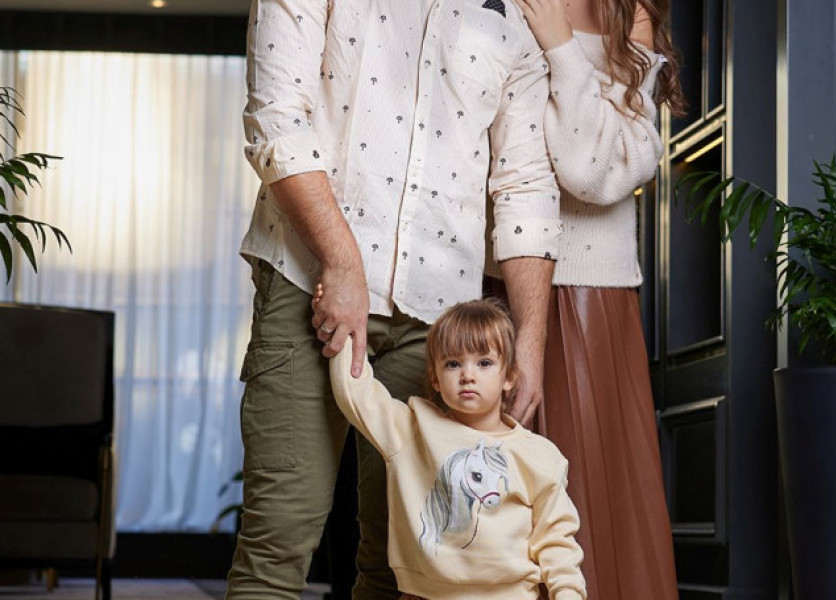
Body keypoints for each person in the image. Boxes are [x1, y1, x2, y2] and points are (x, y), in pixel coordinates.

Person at [226, 1, 562, 599]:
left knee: (402, 557)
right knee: (277, 541)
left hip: (439, 329)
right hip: (306, 283)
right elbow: (275, 117)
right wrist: (342, 260)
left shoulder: (516, 16)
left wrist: (529, 343)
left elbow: (526, 187)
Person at [487, 0, 687, 598]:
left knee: (591, 510)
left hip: (591, 297)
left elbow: (592, 169)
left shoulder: (630, 12)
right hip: (496, 285)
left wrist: (560, 47)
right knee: (496, 511)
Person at [329, 298, 587, 600]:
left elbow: (556, 540)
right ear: (435, 379)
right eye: (453, 363)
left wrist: (567, 593)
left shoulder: (539, 456)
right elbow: (355, 392)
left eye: (484, 363)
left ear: (509, 377)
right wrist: (343, 321)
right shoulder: (410, 429)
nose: (468, 375)